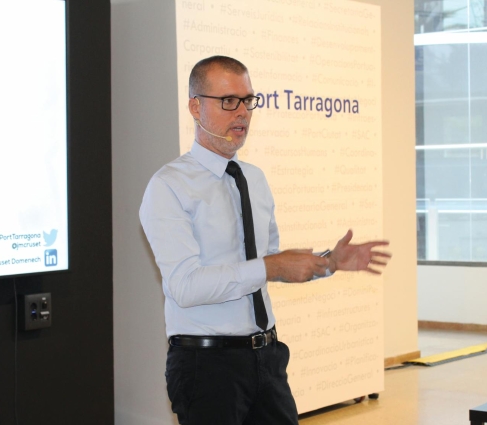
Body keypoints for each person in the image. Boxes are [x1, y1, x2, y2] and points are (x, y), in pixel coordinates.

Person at [139, 55, 391, 425]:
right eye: (228, 101)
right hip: (207, 367)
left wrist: (328, 262)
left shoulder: (253, 178)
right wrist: (270, 265)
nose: (241, 112)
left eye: (248, 100)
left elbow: (268, 263)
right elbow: (185, 286)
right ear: (195, 106)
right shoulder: (168, 186)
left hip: (267, 359)